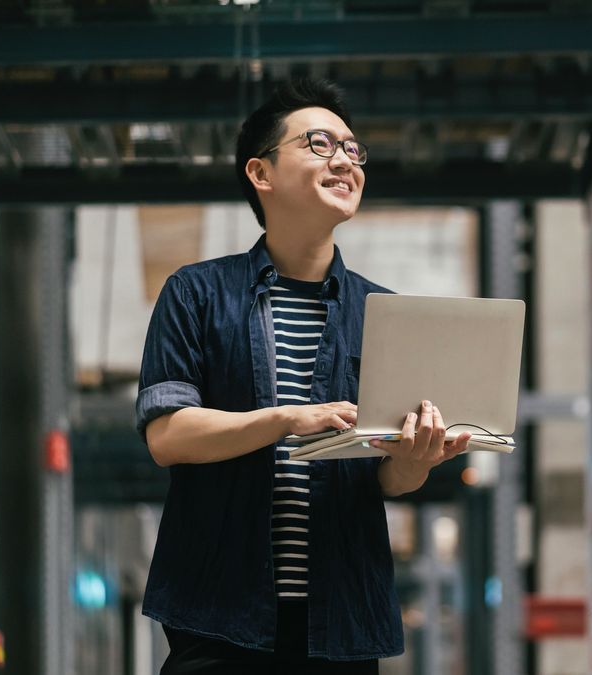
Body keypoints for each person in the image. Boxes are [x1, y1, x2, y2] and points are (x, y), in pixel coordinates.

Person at [135, 77, 472, 674]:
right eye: (319, 144)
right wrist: (289, 419)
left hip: (341, 620)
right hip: (219, 618)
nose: (344, 159)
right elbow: (168, 437)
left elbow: (384, 479)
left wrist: (415, 461)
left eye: (352, 149)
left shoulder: (383, 314)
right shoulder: (196, 293)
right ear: (260, 174)